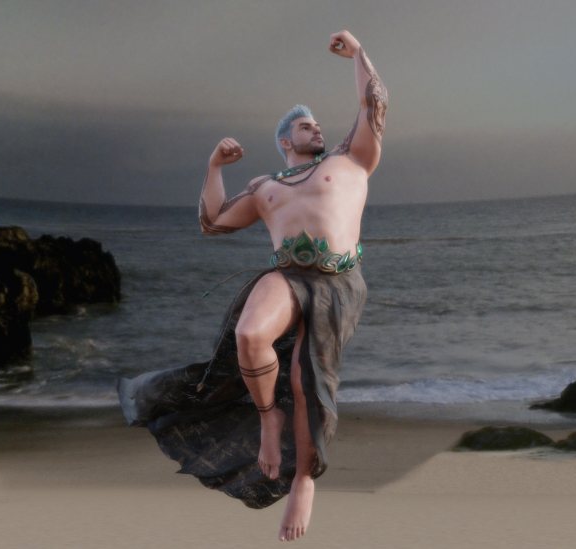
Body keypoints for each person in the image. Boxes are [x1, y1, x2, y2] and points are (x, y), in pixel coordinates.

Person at [117, 29, 387, 542]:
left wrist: (358, 54)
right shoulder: (265, 187)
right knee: (248, 337)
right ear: (286, 140)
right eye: (308, 126)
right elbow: (212, 221)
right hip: (286, 275)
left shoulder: (350, 159)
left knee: (308, 383)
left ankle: (304, 481)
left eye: (318, 124)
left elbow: (374, 101)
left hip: (338, 283)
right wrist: (214, 165)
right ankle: (269, 422)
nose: (318, 129)